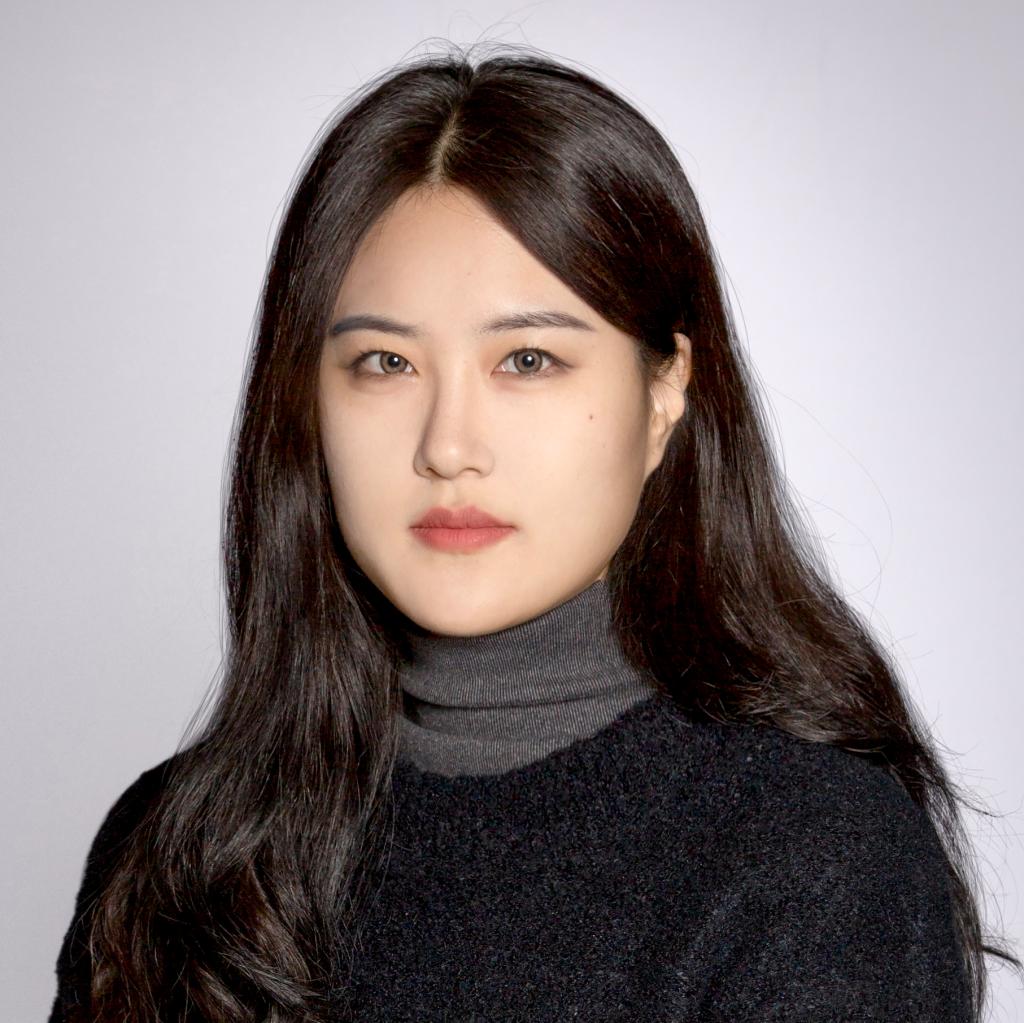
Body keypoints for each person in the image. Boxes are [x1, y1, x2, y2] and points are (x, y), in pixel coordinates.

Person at [48, 44, 1017, 1022]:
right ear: (306, 401)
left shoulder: (814, 861)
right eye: (385, 362)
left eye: (527, 360)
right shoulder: (175, 851)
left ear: (664, 391)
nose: (448, 446)